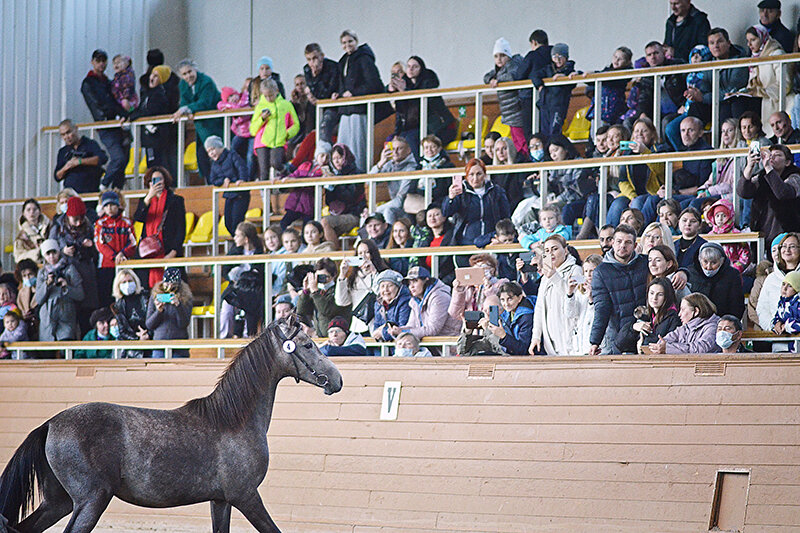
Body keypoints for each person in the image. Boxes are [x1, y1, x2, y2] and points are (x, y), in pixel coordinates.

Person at [589, 224, 649, 355]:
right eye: (619, 241)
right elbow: (601, 308)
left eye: (628, 242)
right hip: (620, 336)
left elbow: (669, 266)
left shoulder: (646, 263)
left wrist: (683, 273)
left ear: (634, 245)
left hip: (647, 331)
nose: (623, 246)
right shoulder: (601, 272)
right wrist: (595, 341)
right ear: (612, 243)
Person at [333, 30, 384, 169]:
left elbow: (375, 84)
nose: (347, 45)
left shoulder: (364, 59)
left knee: (358, 147)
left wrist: (354, 93)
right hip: (346, 110)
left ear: (356, 41)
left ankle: (360, 174)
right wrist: (338, 93)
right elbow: (342, 85)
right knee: (342, 146)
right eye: (344, 43)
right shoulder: (343, 61)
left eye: (350, 41)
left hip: (359, 110)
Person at [80, 49, 129, 189]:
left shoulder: (108, 82)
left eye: (103, 61)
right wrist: (110, 116)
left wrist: (124, 114)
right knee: (118, 157)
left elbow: (115, 101)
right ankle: (105, 183)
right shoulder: (89, 83)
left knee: (124, 158)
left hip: (116, 123)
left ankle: (117, 189)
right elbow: (95, 105)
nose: (101, 64)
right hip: (106, 124)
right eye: (98, 61)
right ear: (92, 62)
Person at [529, 235, 583, 355]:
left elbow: (574, 301)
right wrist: (536, 337)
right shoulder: (545, 276)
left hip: (570, 338)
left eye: (555, 249)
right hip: (551, 341)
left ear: (565, 250)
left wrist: (555, 277)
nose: (551, 253)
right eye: (547, 251)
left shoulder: (577, 270)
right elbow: (539, 308)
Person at [50, 196, 98, 333]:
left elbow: (97, 253)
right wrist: (62, 250)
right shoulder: (58, 228)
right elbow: (49, 250)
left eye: (81, 219)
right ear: (68, 216)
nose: (78, 223)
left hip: (86, 276)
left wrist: (90, 246)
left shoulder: (89, 227)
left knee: (86, 318)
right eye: (75, 219)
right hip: (67, 274)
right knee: (68, 318)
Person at [133, 167, 186, 288]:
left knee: (171, 291)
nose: (157, 182)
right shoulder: (145, 201)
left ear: (165, 181)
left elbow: (181, 228)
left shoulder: (176, 200)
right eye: (154, 180)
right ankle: (154, 306)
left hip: (168, 250)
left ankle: (165, 305)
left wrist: (174, 252)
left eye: (160, 179)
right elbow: (138, 217)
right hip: (148, 253)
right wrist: (148, 197)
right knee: (147, 291)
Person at [738, 144, 800, 247]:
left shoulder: (795, 176)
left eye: (778, 155)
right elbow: (743, 192)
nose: (772, 157)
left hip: (788, 236)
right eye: (770, 154)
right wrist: (749, 166)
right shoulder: (762, 176)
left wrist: (768, 167)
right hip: (763, 234)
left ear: (787, 162)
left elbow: (783, 193)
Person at [390, 56, 457, 151]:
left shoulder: (429, 83)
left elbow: (422, 104)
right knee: (398, 138)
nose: (411, 69)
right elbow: (400, 114)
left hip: (441, 127)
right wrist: (396, 133)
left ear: (421, 69)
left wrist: (405, 91)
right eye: (408, 66)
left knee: (413, 138)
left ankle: (420, 165)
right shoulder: (404, 84)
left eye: (415, 66)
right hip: (422, 127)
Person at [172, 59, 223, 180]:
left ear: (195, 69)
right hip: (200, 127)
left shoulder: (207, 82)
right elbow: (184, 101)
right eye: (184, 74)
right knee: (202, 156)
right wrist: (184, 110)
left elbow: (205, 102)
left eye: (190, 72)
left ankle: (217, 181)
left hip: (214, 125)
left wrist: (189, 109)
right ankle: (209, 183)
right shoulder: (183, 85)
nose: (188, 76)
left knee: (215, 154)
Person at [442, 158, 511, 246]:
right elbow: (446, 212)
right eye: (471, 174)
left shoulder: (497, 191)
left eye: (479, 174)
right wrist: (450, 198)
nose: (475, 178)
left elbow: (505, 216)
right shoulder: (461, 193)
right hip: (466, 242)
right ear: (466, 176)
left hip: (491, 240)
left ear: (485, 174)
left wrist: (499, 235)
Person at [127, 65, 176, 176]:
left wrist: (135, 116)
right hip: (149, 138)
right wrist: (128, 115)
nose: (151, 78)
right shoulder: (147, 94)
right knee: (151, 164)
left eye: (156, 76)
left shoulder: (160, 94)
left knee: (157, 165)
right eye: (152, 75)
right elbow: (140, 109)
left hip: (157, 138)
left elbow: (151, 111)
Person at [220, 222, 265, 339]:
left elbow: (259, 273)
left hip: (253, 290)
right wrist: (232, 278)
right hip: (235, 286)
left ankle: (247, 336)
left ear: (246, 239)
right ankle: (224, 337)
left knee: (249, 305)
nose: (235, 238)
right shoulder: (234, 251)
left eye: (237, 235)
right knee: (226, 307)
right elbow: (225, 270)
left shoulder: (259, 252)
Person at [664, 44, 712, 151]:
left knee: (677, 128)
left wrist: (701, 97)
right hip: (688, 108)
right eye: (693, 55)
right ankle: (681, 153)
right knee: (669, 126)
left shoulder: (709, 73)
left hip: (703, 109)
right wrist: (682, 104)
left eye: (698, 56)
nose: (695, 58)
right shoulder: (689, 74)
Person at [249, 78, 299, 180]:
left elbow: (296, 125)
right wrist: (262, 119)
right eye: (266, 96)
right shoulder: (260, 106)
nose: (268, 98)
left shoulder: (286, 105)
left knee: (276, 162)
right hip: (262, 141)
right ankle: (265, 194)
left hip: (279, 141)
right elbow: (253, 130)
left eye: (271, 95)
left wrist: (287, 133)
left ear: (276, 91)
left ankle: (285, 171)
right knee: (264, 170)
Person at [692, 118, 747, 211]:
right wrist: (702, 191)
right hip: (715, 193)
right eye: (723, 131)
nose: (725, 134)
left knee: (694, 204)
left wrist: (709, 192)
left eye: (729, 130)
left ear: (737, 132)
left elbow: (730, 186)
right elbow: (710, 181)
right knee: (683, 202)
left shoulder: (740, 157)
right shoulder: (720, 158)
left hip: (728, 196)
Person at [94, 190, 137, 307]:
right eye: (106, 205)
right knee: (106, 298)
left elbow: (133, 242)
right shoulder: (100, 223)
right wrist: (114, 256)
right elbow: (100, 244)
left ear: (118, 205)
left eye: (112, 205)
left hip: (124, 265)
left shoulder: (127, 222)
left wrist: (122, 254)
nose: (109, 208)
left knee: (124, 298)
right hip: (106, 266)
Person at [708, 27, 761, 124]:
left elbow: (731, 90)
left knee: (729, 105)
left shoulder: (740, 61)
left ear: (729, 43)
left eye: (719, 41)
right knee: (695, 107)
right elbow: (702, 87)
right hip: (714, 101)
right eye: (712, 43)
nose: (716, 46)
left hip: (736, 101)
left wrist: (703, 97)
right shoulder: (707, 63)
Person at [336, 239, 389, 334]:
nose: (363, 256)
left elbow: (382, 295)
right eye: (360, 253)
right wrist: (342, 275)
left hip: (378, 325)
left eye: (367, 252)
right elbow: (341, 301)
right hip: (358, 325)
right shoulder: (353, 278)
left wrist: (374, 272)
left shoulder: (383, 273)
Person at [35, 239, 84, 342]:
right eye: (48, 254)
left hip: (66, 314)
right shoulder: (42, 273)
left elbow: (80, 295)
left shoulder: (70, 269)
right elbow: (38, 300)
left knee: (66, 349)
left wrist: (66, 287)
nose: (52, 257)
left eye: (54, 252)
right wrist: (47, 284)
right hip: (47, 318)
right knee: (48, 351)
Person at [484, 38, 526, 154]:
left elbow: (513, 75)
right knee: (516, 141)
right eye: (496, 56)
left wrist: (498, 80)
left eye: (502, 55)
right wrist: (492, 79)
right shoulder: (499, 70)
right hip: (509, 113)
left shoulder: (514, 65)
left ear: (508, 56)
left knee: (522, 141)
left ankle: (526, 162)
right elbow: (486, 77)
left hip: (517, 110)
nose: (499, 59)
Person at [618, 278, 681, 354]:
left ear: (667, 296)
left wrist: (644, 337)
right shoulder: (646, 316)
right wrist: (633, 328)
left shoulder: (673, 318)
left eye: (660, 294)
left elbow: (662, 345)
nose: (654, 298)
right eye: (651, 293)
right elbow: (620, 344)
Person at [320, 143, 366, 245]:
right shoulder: (335, 174)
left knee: (324, 222)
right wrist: (329, 186)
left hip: (354, 214)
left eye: (339, 158)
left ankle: (332, 254)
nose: (336, 161)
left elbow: (350, 197)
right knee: (316, 228)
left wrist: (336, 183)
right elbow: (330, 202)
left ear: (346, 157)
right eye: (334, 158)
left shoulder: (356, 173)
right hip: (338, 215)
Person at [204, 135, 251, 235]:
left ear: (220, 147)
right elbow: (213, 179)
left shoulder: (232, 155)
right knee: (228, 223)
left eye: (213, 149)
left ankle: (241, 244)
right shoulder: (214, 164)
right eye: (208, 151)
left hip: (240, 194)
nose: (211, 153)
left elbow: (242, 168)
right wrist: (223, 180)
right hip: (229, 195)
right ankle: (238, 242)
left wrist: (241, 179)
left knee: (236, 222)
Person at [369, 134, 420, 224]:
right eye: (393, 148)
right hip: (395, 205)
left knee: (387, 211)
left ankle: (390, 237)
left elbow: (401, 199)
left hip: (408, 210)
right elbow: (369, 182)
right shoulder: (390, 165)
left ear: (408, 150)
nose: (395, 152)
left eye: (399, 149)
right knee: (365, 215)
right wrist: (380, 163)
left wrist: (375, 211)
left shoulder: (412, 166)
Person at [745, 24, 787, 134]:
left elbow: (786, 83)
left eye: (753, 40)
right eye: (747, 41)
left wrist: (761, 91)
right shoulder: (754, 57)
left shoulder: (777, 54)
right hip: (763, 99)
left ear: (762, 37)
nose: (749, 44)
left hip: (778, 99)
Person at [687, 242, 745, 319]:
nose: (709, 267)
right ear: (699, 260)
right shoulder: (690, 273)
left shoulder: (732, 275)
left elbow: (737, 305)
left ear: (722, 261)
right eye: (705, 262)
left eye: (714, 262)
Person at [648, 292, 719, 354]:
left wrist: (669, 348)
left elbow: (699, 349)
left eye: (683, 310)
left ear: (696, 311)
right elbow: (663, 342)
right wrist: (662, 347)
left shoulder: (713, 327)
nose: (679, 314)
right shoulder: (684, 328)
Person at [531, 42, 577, 138]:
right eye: (554, 56)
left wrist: (563, 77)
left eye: (561, 56)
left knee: (554, 132)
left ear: (566, 57)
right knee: (544, 132)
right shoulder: (548, 69)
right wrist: (540, 86)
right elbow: (535, 76)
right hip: (545, 105)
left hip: (558, 106)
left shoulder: (569, 70)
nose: (558, 59)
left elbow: (572, 83)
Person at [403, 266, 461, 340]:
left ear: (426, 280)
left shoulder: (439, 296)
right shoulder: (415, 301)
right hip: (432, 347)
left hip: (447, 346)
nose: (411, 286)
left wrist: (405, 332)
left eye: (415, 281)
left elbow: (433, 329)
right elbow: (411, 326)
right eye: (409, 283)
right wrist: (397, 330)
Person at [297, 258, 351, 337]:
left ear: (334, 274)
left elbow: (327, 310)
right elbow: (302, 311)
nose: (320, 280)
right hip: (319, 336)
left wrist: (315, 291)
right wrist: (305, 291)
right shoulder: (316, 291)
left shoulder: (339, 290)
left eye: (324, 276)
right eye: (318, 276)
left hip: (337, 337)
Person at [757, 232, 800, 331]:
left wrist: (791, 326)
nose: (787, 250)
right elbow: (762, 309)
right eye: (784, 246)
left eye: (792, 246)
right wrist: (774, 325)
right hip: (778, 341)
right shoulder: (771, 278)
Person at [146, 266, 192, 358]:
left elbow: (184, 323)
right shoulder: (155, 295)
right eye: (167, 284)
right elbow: (149, 324)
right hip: (159, 344)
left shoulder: (186, 297)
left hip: (179, 345)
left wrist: (178, 306)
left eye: (173, 285)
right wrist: (159, 311)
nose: (170, 287)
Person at [479, 281, 534, 356]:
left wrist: (503, 336)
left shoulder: (527, 317)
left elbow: (524, 350)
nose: (506, 304)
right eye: (502, 300)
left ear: (520, 298)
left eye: (510, 299)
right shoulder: (506, 314)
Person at [54, 119, 108, 193]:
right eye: (63, 134)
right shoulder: (63, 151)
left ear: (76, 129)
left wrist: (80, 161)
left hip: (90, 192)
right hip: (71, 194)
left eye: (68, 132)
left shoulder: (90, 144)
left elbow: (102, 158)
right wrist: (66, 167)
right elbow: (57, 176)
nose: (66, 137)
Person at [449, 253, 508, 321]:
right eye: (476, 269)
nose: (481, 272)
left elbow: (497, 310)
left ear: (492, 270)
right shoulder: (468, 288)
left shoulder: (501, 284)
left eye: (484, 268)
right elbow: (454, 314)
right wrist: (458, 292)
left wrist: (489, 288)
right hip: (472, 328)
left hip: (492, 326)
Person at [303, 43, 340, 144]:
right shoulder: (307, 69)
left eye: (315, 58)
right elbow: (314, 93)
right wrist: (314, 78)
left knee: (325, 126)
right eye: (309, 59)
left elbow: (327, 92)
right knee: (309, 128)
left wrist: (316, 77)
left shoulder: (333, 67)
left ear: (322, 56)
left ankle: (324, 153)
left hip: (332, 105)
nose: (312, 63)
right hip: (315, 106)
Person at [111, 268, 150, 358]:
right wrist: (138, 338)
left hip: (149, 340)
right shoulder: (118, 305)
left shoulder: (146, 298)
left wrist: (147, 335)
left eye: (130, 281)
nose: (127, 284)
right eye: (123, 282)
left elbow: (153, 320)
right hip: (130, 346)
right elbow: (122, 331)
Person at [706, 199, 751, 273]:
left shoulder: (737, 234)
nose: (720, 219)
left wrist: (734, 269)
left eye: (724, 216)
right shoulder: (710, 236)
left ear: (730, 216)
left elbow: (745, 255)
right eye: (717, 216)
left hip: (733, 272)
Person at [370, 269, 412, 343]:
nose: (385, 290)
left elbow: (402, 327)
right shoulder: (378, 304)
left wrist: (382, 332)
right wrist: (381, 331)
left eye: (390, 286)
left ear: (398, 287)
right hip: (383, 344)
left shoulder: (405, 302)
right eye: (382, 286)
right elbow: (376, 328)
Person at [14, 199, 50, 264]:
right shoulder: (22, 235)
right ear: (24, 213)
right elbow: (18, 257)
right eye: (28, 210)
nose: (32, 212)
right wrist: (36, 253)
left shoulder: (49, 228)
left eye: (35, 209)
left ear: (39, 212)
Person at [771, 270, 800, 351]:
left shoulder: (798, 303)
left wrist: (787, 325)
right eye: (783, 284)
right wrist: (777, 323)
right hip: (788, 343)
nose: (785, 288)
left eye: (790, 286)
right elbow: (777, 316)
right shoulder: (782, 302)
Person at [15, 260, 39, 339]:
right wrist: (23, 315)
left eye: (30, 274)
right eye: (24, 276)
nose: (28, 278)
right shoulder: (21, 293)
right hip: (28, 330)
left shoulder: (43, 289)